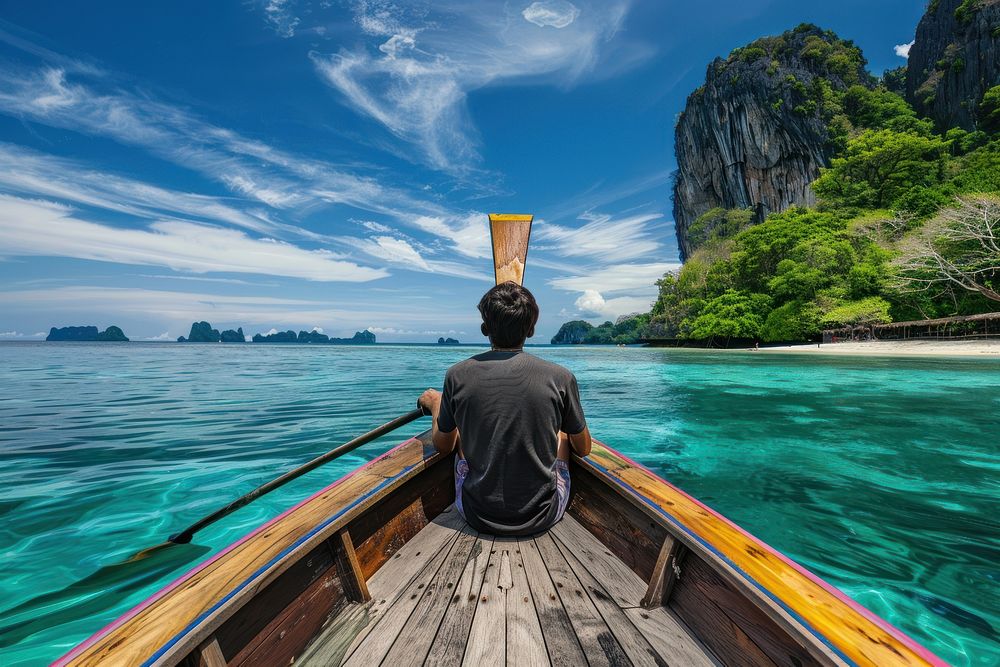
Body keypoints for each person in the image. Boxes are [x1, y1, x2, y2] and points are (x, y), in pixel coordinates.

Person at [417, 282, 592, 536]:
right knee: (562, 433)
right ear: (531, 330)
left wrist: (437, 403)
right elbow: (584, 449)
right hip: (542, 514)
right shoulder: (561, 377)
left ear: (484, 328)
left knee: (466, 432)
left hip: (476, 514)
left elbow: (444, 445)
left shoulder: (457, 375)